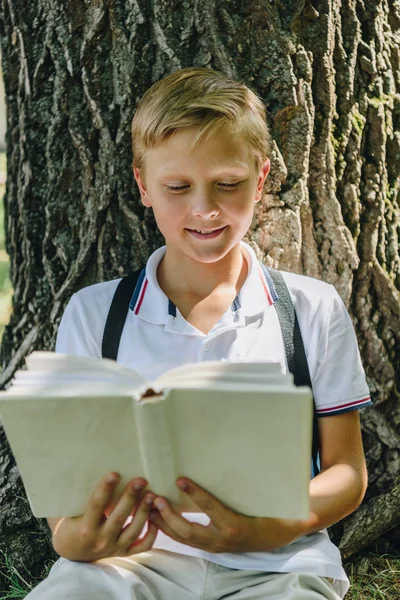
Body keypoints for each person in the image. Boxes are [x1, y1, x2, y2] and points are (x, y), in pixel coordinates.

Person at [26, 67, 371, 599]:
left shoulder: (311, 308)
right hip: (129, 565)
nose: (204, 209)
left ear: (260, 180)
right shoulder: (94, 314)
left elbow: (347, 471)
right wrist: (71, 537)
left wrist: (271, 527)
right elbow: (68, 474)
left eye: (227, 184)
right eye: (177, 187)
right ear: (143, 185)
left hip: (278, 564)